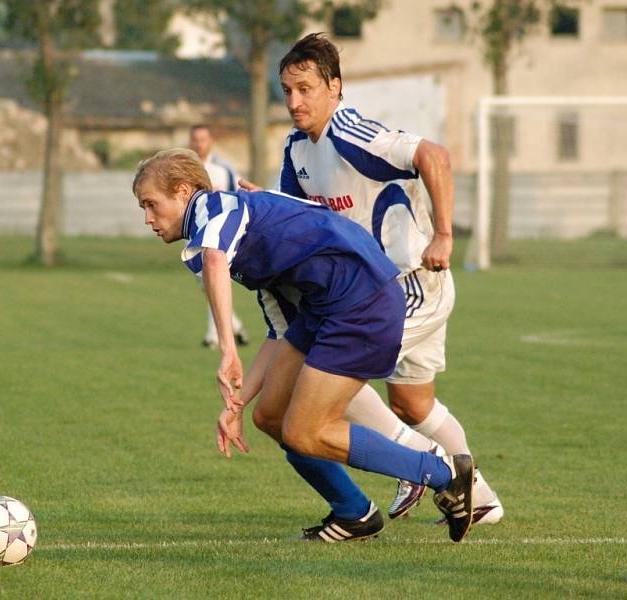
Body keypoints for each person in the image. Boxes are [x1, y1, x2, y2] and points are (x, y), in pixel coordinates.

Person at [132, 147, 476, 543]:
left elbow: (214, 261)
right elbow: (279, 333)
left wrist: (227, 349)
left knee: (303, 430)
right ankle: (355, 514)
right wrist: (235, 404)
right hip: (327, 308)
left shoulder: (215, 207)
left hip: (361, 300)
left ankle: (444, 474)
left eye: (151, 205)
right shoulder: (236, 239)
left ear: (182, 191)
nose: (148, 219)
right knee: (271, 417)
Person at [241, 32, 503, 525]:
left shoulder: (350, 132)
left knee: (326, 369)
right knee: (411, 402)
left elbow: (435, 156)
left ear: (335, 87)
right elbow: (301, 218)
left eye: (305, 89)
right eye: (287, 90)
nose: (294, 101)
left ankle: (415, 467)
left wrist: (444, 235)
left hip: (408, 285)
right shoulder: (298, 149)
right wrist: (265, 203)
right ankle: (482, 500)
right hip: (374, 290)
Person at [188, 124, 250, 350]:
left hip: (220, 236)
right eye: (195, 139)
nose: (198, 144)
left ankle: (214, 336)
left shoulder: (224, 169)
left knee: (213, 280)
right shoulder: (185, 170)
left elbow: (239, 197)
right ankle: (235, 326)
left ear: (210, 141)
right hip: (195, 236)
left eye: (202, 139)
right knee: (208, 285)